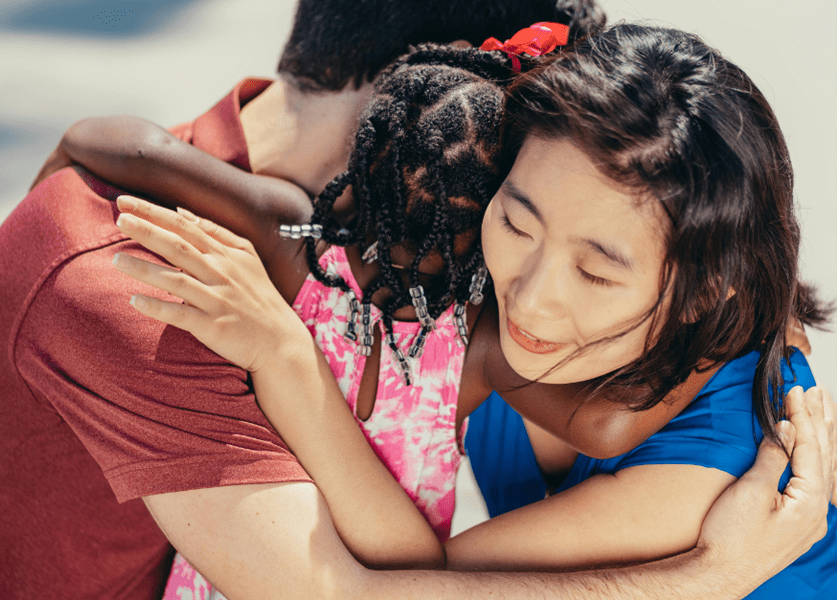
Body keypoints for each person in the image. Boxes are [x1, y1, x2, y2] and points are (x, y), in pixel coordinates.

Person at [107, 22, 837, 597]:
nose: (534, 296)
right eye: (518, 222)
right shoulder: (464, 260)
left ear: (705, 291)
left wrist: (706, 582)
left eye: (596, 272)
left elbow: (394, 590)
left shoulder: (723, 472)